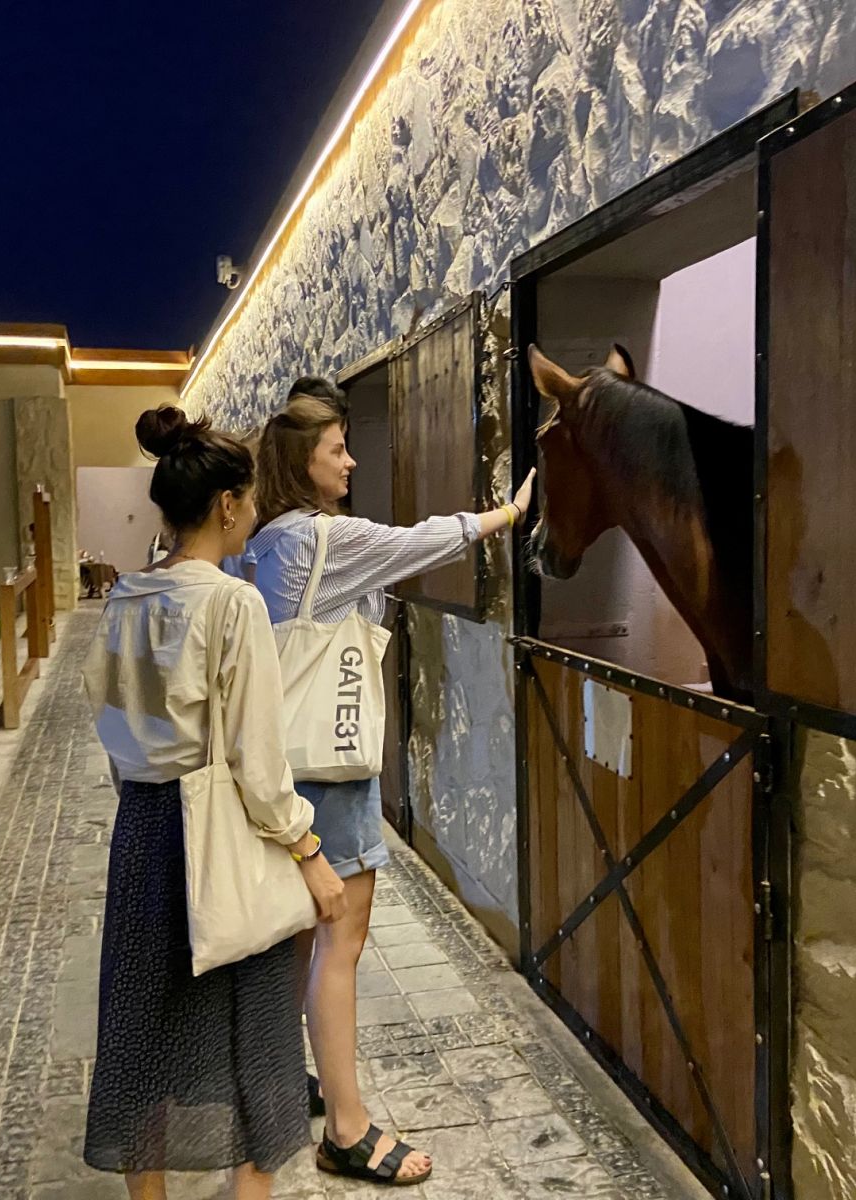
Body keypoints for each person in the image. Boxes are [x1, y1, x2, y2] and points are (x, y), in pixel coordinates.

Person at [250, 394, 535, 1187]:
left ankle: (283, 1080)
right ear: (303, 462)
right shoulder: (326, 539)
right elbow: (422, 542)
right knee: (342, 941)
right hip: (331, 769)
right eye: (336, 449)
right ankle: (347, 1130)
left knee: (299, 937)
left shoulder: (262, 542)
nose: (350, 462)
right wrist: (509, 514)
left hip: (279, 768)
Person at [82, 407, 347, 1200]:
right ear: (227, 505)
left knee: (143, 1034)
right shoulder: (232, 604)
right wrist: (309, 854)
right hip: (218, 834)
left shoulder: (125, 597)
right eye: (251, 498)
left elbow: (109, 722)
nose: (257, 511)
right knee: (256, 1038)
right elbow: (258, 765)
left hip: (142, 831)